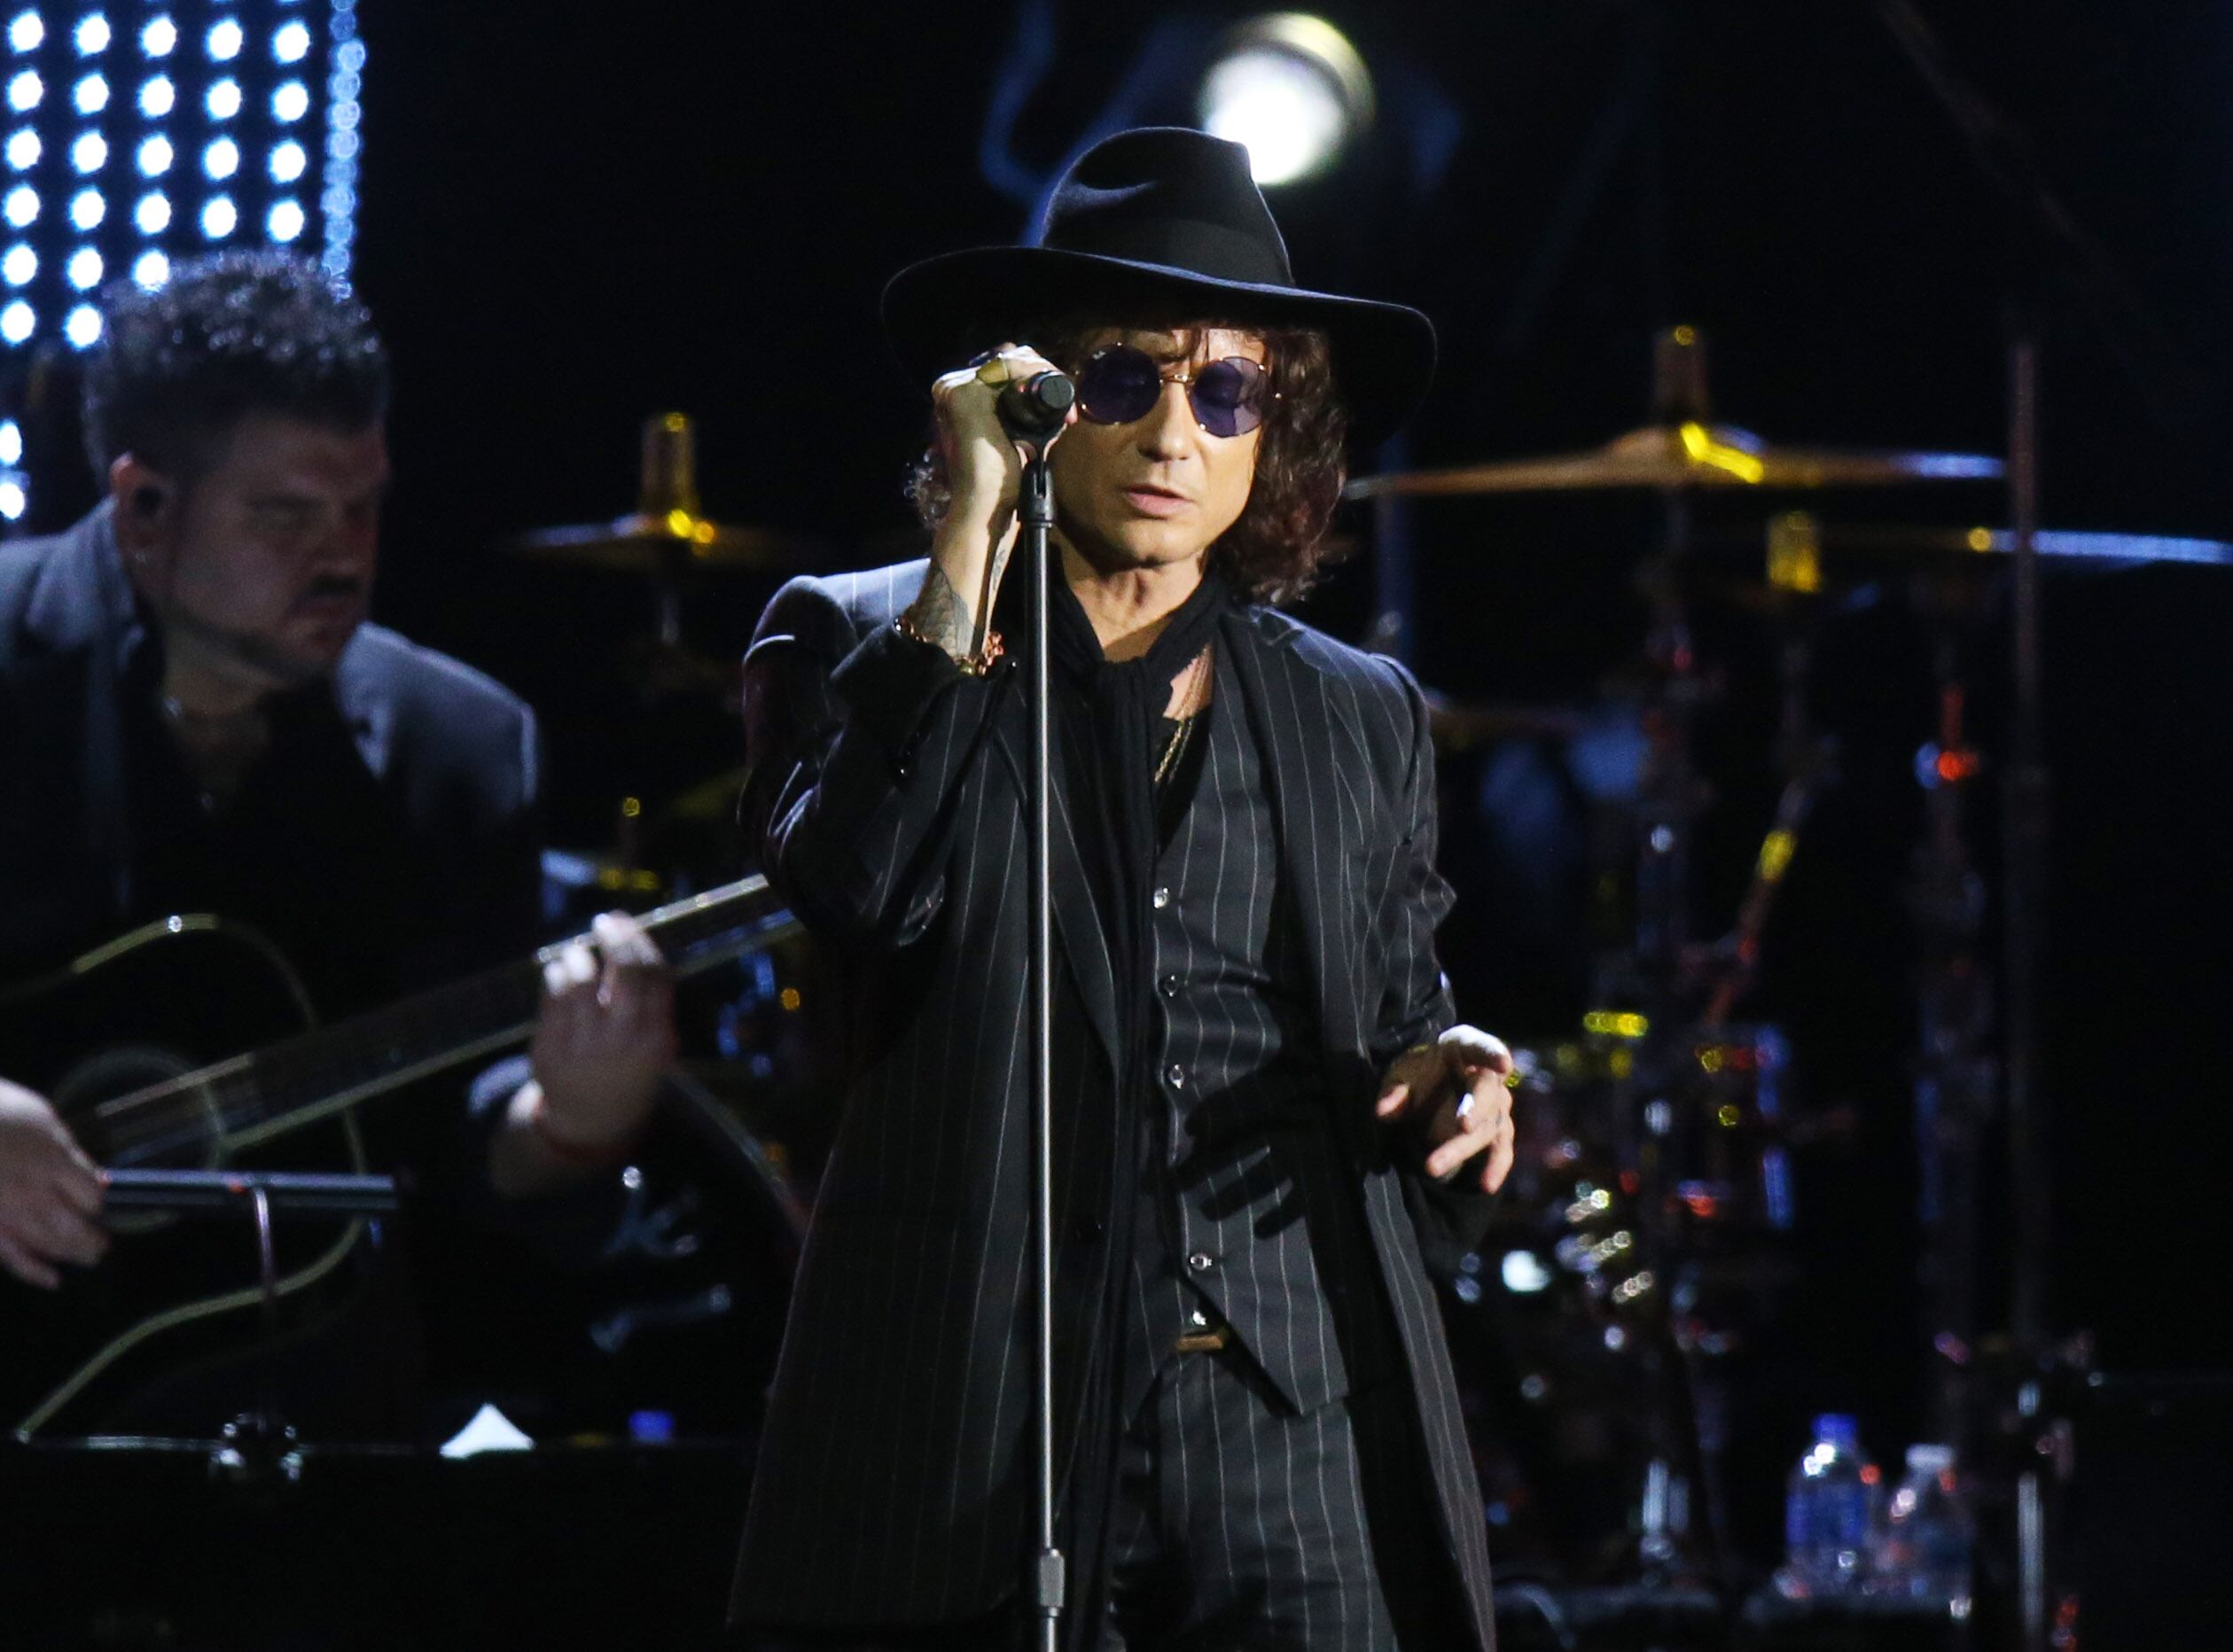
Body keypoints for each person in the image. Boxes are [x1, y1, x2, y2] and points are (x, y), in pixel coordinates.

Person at [730, 129, 1513, 1652]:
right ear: (1026, 394)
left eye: (1225, 393)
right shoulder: (853, 637)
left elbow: (1404, 1013)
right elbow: (856, 890)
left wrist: (1455, 1071)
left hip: (1291, 1429)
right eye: (1120, 379)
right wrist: (966, 545)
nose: (1173, 434)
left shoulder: (1356, 709)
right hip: (984, 1428)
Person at [0, 253, 671, 1373]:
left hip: (300, 1384)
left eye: (363, 510)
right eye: (288, 517)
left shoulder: (459, 747)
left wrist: (573, 1125)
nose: (344, 557)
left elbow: (460, 1142)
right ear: (144, 510)